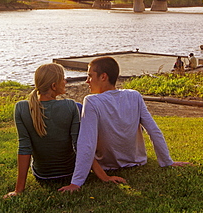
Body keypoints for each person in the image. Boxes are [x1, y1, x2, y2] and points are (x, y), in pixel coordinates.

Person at [59, 56, 190, 193]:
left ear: (103, 77)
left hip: (107, 165)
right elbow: (153, 130)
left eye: (90, 76)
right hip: (136, 161)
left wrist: (76, 182)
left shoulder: (92, 101)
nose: (87, 81)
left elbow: (87, 142)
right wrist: (167, 161)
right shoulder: (134, 95)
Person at [3, 63, 80, 198]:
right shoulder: (70, 106)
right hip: (70, 173)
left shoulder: (21, 108)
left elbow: (24, 148)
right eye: (63, 78)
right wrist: (101, 175)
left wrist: (18, 190)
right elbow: (79, 145)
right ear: (54, 86)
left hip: (43, 176)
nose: (65, 81)